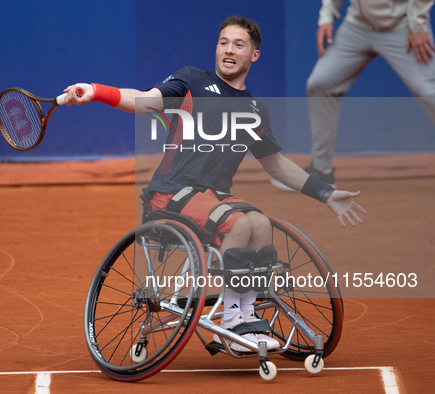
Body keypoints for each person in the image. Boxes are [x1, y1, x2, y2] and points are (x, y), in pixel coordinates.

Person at [64, 16, 367, 353]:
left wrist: (325, 193)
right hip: (170, 193)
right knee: (237, 223)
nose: (228, 50)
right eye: (223, 42)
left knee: (261, 223)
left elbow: (275, 164)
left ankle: (246, 315)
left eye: (238, 45)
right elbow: (145, 100)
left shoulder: (253, 110)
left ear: (254, 56)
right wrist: (95, 91)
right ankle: (231, 323)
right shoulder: (192, 80)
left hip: (214, 196)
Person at [273, 0, 435, 190]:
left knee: (429, 92)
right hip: (357, 26)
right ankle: (321, 171)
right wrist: (326, 17)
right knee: (321, 84)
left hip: (402, 27)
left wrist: (417, 24)